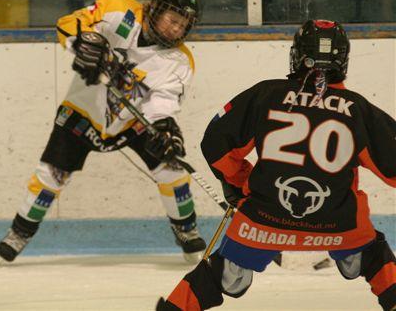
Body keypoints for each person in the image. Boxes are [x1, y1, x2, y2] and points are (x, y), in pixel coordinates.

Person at [156, 19, 396, 311]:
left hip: (261, 222)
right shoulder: (357, 109)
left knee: (223, 275)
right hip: (339, 225)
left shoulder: (265, 94)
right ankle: (366, 268)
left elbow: (216, 145)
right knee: (373, 255)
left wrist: (239, 183)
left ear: (297, 55)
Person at [0, 0, 208, 264]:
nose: (178, 30)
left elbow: (163, 102)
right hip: (84, 111)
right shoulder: (119, 10)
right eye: (174, 20)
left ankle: (186, 230)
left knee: (171, 170)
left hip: (134, 121)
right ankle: (19, 233)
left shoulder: (179, 61)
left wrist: (166, 128)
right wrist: (82, 43)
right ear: (155, 8)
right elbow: (71, 23)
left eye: (184, 25)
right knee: (51, 175)